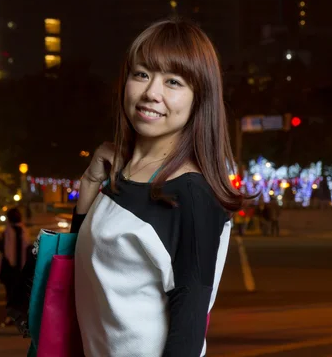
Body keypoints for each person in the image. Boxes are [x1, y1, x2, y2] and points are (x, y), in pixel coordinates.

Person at [71, 18, 246, 357]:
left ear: (200, 98)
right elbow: (80, 266)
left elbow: (188, 331)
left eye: (174, 81)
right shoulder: (121, 175)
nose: (152, 92)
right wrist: (91, 182)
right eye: (142, 74)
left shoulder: (191, 194)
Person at [0, 207, 29, 327]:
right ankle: (19, 318)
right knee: (20, 296)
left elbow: (8, 252)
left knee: (11, 295)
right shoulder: (23, 230)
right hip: (21, 269)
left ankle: (13, 317)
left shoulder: (9, 231)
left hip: (11, 270)